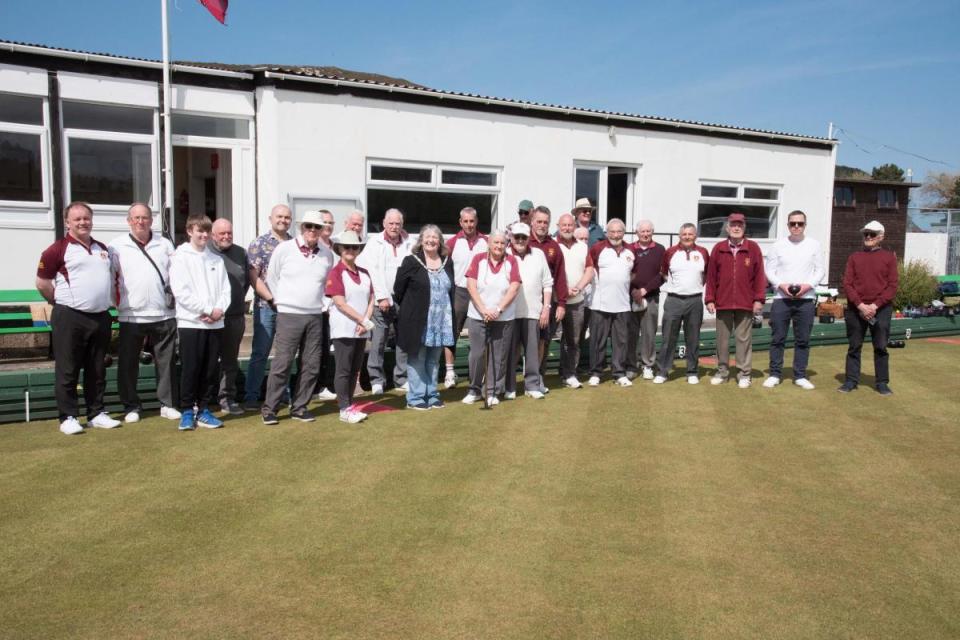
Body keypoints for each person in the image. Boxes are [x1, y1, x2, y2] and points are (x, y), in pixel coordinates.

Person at [36, 201, 121, 435]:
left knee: (97, 368)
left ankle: (96, 413)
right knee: (68, 369)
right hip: (69, 316)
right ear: (67, 222)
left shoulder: (102, 248)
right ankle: (68, 416)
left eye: (86, 218)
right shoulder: (57, 249)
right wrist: (60, 302)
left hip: (100, 317)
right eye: (77, 219)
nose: (83, 222)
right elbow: (42, 283)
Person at [260, 211, 335, 425]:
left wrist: (324, 304)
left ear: (322, 230)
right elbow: (272, 278)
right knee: (282, 363)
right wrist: (280, 301)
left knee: (311, 364)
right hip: (289, 314)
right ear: (302, 227)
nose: (312, 230)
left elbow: (327, 284)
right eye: (309, 226)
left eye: (317, 227)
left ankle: (300, 407)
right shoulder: (284, 249)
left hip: (314, 315)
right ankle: (270, 409)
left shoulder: (327, 254)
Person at [109, 203, 180, 423]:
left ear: (151, 220)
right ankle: (131, 406)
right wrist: (117, 304)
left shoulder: (165, 244)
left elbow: (175, 276)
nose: (141, 221)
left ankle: (167, 404)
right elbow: (110, 278)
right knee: (128, 363)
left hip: (163, 314)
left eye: (145, 217)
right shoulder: (116, 246)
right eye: (136, 218)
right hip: (131, 315)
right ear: (129, 220)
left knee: (166, 362)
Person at [169, 214, 231, 430]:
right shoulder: (180, 257)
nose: (204, 235)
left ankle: (204, 409)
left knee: (210, 370)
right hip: (190, 323)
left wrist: (218, 311)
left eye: (206, 231)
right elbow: (181, 291)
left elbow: (226, 291)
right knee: (191, 368)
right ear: (189, 231)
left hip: (215, 323)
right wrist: (205, 310)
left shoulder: (216, 259)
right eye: (199, 231)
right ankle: (187, 411)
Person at [394, 224, 456, 409]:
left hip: (441, 322)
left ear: (440, 241)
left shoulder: (447, 262)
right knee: (417, 358)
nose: (431, 240)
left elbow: (451, 289)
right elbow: (398, 290)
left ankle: (432, 394)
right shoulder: (411, 261)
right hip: (418, 322)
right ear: (421, 240)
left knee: (433, 360)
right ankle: (416, 397)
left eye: (435, 237)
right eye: (427, 237)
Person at [762, 210, 825, 390]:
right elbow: (770, 270)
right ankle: (775, 374)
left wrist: (807, 286)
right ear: (788, 225)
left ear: (805, 225)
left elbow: (820, 270)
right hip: (782, 299)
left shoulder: (814, 245)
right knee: (777, 338)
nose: (796, 226)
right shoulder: (778, 245)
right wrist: (782, 285)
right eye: (792, 223)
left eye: (800, 223)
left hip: (805, 299)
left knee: (803, 339)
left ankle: (800, 375)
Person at [705, 212, 767, 388]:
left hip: (745, 303)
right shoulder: (718, 248)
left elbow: (759, 277)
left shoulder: (753, 248)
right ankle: (722, 372)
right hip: (722, 302)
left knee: (743, 340)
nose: (736, 228)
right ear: (727, 227)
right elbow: (711, 277)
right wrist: (710, 298)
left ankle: (744, 374)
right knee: (722, 341)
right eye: (733, 225)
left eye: (740, 225)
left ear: (744, 227)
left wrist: (758, 299)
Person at [356, 208, 412, 394]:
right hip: (382, 300)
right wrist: (381, 296)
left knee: (403, 340)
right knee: (378, 340)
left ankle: (401, 378)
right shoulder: (374, 243)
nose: (394, 227)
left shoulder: (409, 243)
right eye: (391, 223)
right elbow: (372, 270)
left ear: (402, 225)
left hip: (404, 299)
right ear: (384, 223)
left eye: (398, 224)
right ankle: (376, 380)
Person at [839, 220, 899, 395]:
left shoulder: (889, 257)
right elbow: (847, 283)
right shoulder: (854, 257)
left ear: (881, 236)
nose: (867, 237)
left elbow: (892, 285)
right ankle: (851, 381)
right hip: (856, 309)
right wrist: (860, 305)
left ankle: (881, 382)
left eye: (872, 234)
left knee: (880, 347)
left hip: (881, 310)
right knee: (854, 346)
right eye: (865, 234)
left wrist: (874, 305)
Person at [462, 231, 521, 405]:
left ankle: (492, 391)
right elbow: (471, 286)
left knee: (498, 356)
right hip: (478, 315)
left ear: (506, 245)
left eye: (502, 243)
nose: (498, 246)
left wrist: (498, 309)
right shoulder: (478, 259)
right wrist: (483, 309)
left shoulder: (511, 261)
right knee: (477, 354)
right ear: (489, 243)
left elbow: (514, 287)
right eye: (495, 243)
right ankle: (474, 390)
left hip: (503, 317)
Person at [243, 204, 293, 409]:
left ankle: (283, 395)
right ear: (270, 218)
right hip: (267, 306)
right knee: (260, 353)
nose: (283, 220)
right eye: (279, 216)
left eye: (287, 217)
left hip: (290, 308)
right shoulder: (259, 244)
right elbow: (253, 276)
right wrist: (273, 299)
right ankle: (251, 397)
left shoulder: (295, 243)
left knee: (286, 354)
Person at [326, 231, 375, 423]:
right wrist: (363, 321)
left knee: (355, 369)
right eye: (346, 247)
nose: (350, 250)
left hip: (361, 329)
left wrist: (365, 321)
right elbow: (340, 302)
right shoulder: (336, 272)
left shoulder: (364, 273)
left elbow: (371, 299)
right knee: (344, 369)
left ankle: (350, 405)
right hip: (344, 328)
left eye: (354, 247)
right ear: (339, 249)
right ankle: (344, 408)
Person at [653, 224, 710, 385]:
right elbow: (664, 273)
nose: (687, 237)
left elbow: (706, 275)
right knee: (668, 338)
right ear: (679, 235)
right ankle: (663, 371)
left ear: (695, 235)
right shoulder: (670, 252)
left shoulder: (703, 252)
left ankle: (692, 371)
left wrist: (694, 288)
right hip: (674, 300)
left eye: (690, 234)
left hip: (695, 300)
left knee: (693, 338)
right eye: (684, 234)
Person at [505, 222, 553, 399]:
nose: (519, 240)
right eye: (516, 237)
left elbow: (547, 284)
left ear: (528, 238)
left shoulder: (539, 254)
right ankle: (509, 386)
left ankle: (532, 385)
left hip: (533, 311)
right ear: (511, 237)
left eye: (523, 237)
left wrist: (546, 308)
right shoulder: (505, 253)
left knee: (532, 351)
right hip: (509, 313)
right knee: (510, 352)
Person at [443, 207, 488, 389]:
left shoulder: (486, 241)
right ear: (460, 222)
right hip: (459, 292)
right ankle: (450, 372)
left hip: (480, 293)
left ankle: (479, 373)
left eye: (472, 221)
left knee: (482, 333)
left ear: (476, 221)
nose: (469, 225)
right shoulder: (452, 242)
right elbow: (444, 267)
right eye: (465, 221)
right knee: (452, 333)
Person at [208, 218, 250, 414]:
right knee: (206, 359)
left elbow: (245, 282)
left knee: (229, 361)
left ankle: (227, 399)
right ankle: (204, 398)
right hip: (208, 317)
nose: (226, 236)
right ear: (213, 235)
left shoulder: (240, 253)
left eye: (229, 233)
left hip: (234, 316)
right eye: (222, 233)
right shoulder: (205, 251)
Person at [587, 219, 635, 387]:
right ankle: (595, 373)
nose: (615, 235)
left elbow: (633, 274)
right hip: (600, 304)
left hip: (622, 305)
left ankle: (619, 373)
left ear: (624, 232)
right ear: (607, 232)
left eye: (619, 231)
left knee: (621, 341)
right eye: (612, 232)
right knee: (597, 341)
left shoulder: (631, 250)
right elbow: (588, 270)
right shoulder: (597, 249)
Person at [528, 206, 567, 389]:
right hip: (523, 300)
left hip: (546, 302)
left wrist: (561, 304)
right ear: (532, 222)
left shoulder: (554, 247)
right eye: (539, 221)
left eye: (545, 222)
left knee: (542, 341)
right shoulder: (522, 241)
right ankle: (509, 380)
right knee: (517, 342)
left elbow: (560, 277)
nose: (542, 225)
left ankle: (538, 377)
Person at [555, 213, 595, 388]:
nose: (567, 228)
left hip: (577, 301)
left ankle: (570, 374)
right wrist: (563, 291)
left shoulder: (582, 247)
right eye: (564, 225)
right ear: (558, 226)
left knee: (573, 341)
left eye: (570, 225)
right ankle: (538, 378)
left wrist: (578, 287)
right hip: (556, 301)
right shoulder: (552, 245)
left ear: (574, 226)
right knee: (545, 340)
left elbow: (589, 269)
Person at [626, 220, 665, 381]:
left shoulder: (660, 249)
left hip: (651, 297)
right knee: (631, 333)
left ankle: (647, 364)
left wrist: (644, 290)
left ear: (652, 232)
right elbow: (624, 273)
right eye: (642, 231)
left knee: (649, 333)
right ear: (637, 232)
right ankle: (631, 366)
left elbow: (662, 275)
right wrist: (633, 290)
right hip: (630, 297)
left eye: (648, 231)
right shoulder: (629, 249)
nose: (645, 234)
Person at [314, 209, 338, 401]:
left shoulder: (335, 246)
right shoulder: (314, 247)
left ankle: (324, 385)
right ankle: (316, 387)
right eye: (325, 222)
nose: (328, 226)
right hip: (317, 307)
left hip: (333, 306)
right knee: (316, 349)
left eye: (331, 222)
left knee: (328, 348)